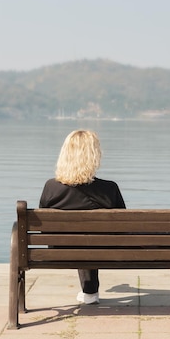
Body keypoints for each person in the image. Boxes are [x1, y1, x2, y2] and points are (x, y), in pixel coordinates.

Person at [39, 129, 125, 305]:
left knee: (81, 238)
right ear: (94, 155)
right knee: (91, 238)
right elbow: (123, 226)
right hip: (104, 250)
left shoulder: (51, 187)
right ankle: (90, 292)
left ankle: (90, 293)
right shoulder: (109, 189)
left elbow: (43, 227)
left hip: (59, 250)